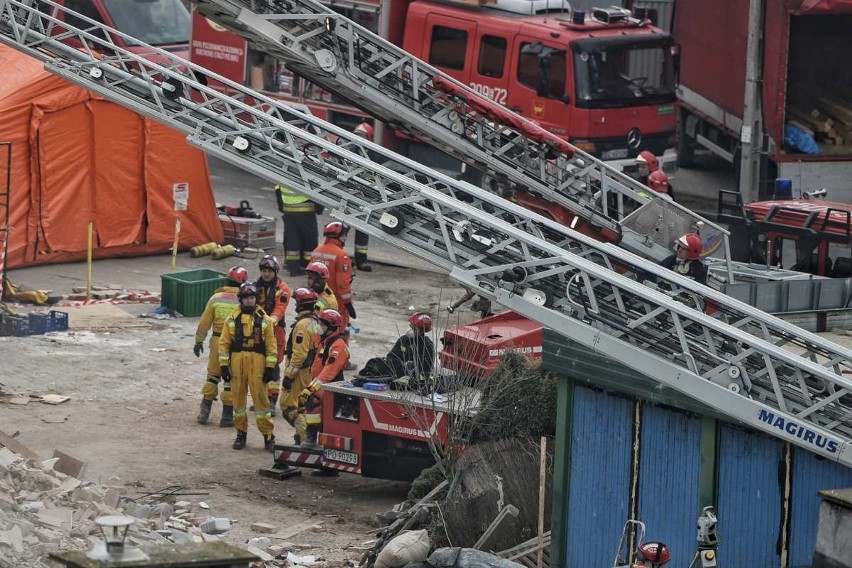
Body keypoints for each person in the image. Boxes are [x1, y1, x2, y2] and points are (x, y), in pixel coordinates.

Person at [218, 283, 279, 451]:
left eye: (252, 298)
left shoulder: (265, 319)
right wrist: (224, 366)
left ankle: (268, 436)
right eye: (247, 298)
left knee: (261, 400)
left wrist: (270, 367)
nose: (250, 301)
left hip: (258, 361)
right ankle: (241, 433)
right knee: (238, 400)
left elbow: (271, 346)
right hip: (237, 360)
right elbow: (223, 344)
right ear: (241, 300)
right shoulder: (232, 318)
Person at [193, 266, 247, 427]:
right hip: (235, 345)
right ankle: (227, 417)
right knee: (231, 379)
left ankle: (204, 412)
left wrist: (198, 342)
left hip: (217, 342)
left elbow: (204, 323)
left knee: (213, 376)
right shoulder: (245, 300)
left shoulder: (215, 298)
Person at [299, 308, 349, 449]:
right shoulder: (324, 341)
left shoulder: (338, 345)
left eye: (322, 324)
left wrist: (312, 388)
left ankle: (319, 441)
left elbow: (329, 372)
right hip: (321, 384)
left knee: (315, 404)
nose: (319, 326)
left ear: (331, 328)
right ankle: (311, 435)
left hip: (331, 386)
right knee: (312, 406)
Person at [280, 288, 323, 444]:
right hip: (310, 371)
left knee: (287, 407)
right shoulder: (315, 322)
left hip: (299, 372)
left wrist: (289, 377)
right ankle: (301, 437)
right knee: (302, 407)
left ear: (300, 304)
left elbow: (299, 354)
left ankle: (305, 436)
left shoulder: (302, 325)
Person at [255, 255, 291, 415]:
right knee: (258, 365)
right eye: (264, 271)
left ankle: (272, 402)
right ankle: (262, 399)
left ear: (275, 271)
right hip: (258, 330)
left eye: (269, 271)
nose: (266, 274)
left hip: (276, 332)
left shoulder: (283, 289)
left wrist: (270, 321)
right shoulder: (255, 287)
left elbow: (280, 309)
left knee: (274, 366)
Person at [311, 221, 356, 339]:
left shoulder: (316, 252)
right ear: (339, 235)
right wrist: (348, 304)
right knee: (338, 335)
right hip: (336, 304)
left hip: (317, 301)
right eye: (344, 234)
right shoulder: (342, 256)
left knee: (316, 333)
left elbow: (310, 278)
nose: (345, 237)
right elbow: (343, 284)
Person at [359, 312, 435, 380]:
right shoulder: (403, 340)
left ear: (422, 330)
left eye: (414, 328)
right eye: (411, 326)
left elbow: (426, 367)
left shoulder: (427, 345)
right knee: (377, 363)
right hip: (397, 372)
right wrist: (397, 365)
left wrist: (409, 366)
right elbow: (391, 357)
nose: (410, 330)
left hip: (415, 377)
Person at [276, 183, 323, 276]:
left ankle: (293, 268)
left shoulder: (285, 169)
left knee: (292, 240)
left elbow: (278, 187)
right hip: (306, 210)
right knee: (309, 240)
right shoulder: (306, 170)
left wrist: (281, 205)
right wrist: (319, 207)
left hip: (288, 210)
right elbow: (316, 186)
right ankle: (308, 267)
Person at [351, 121, 375, 272]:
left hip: (364, 198)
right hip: (348, 195)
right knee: (341, 229)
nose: (358, 139)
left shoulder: (372, 155)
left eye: (362, 136)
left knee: (362, 230)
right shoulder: (350, 152)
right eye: (357, 136)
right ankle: (336, 257)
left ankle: (361, 261)